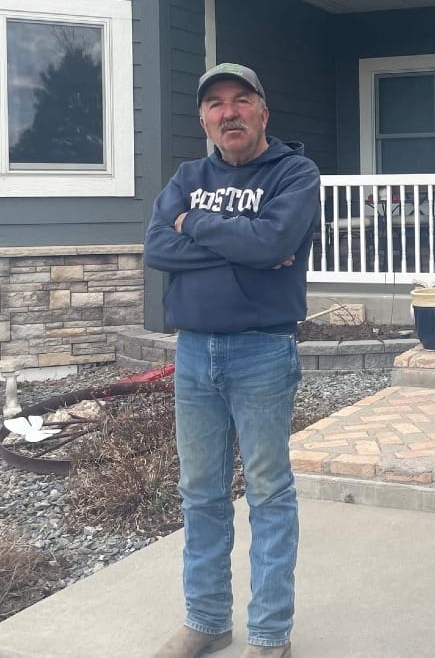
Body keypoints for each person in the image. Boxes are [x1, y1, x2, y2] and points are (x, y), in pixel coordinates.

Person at [145, 62, 320, 658]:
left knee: (269, 493)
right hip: (193, 353)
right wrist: (240, 244)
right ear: (203, 119)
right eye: (216, 104)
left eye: (241, 100)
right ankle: (207, 620)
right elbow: (156, 247)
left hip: (262, 351)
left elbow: (275, 243)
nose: (229, 112)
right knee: (200, 494)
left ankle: (270, 636)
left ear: (263, 111)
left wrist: (194, 223)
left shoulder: (295, 173)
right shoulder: (187, 176)